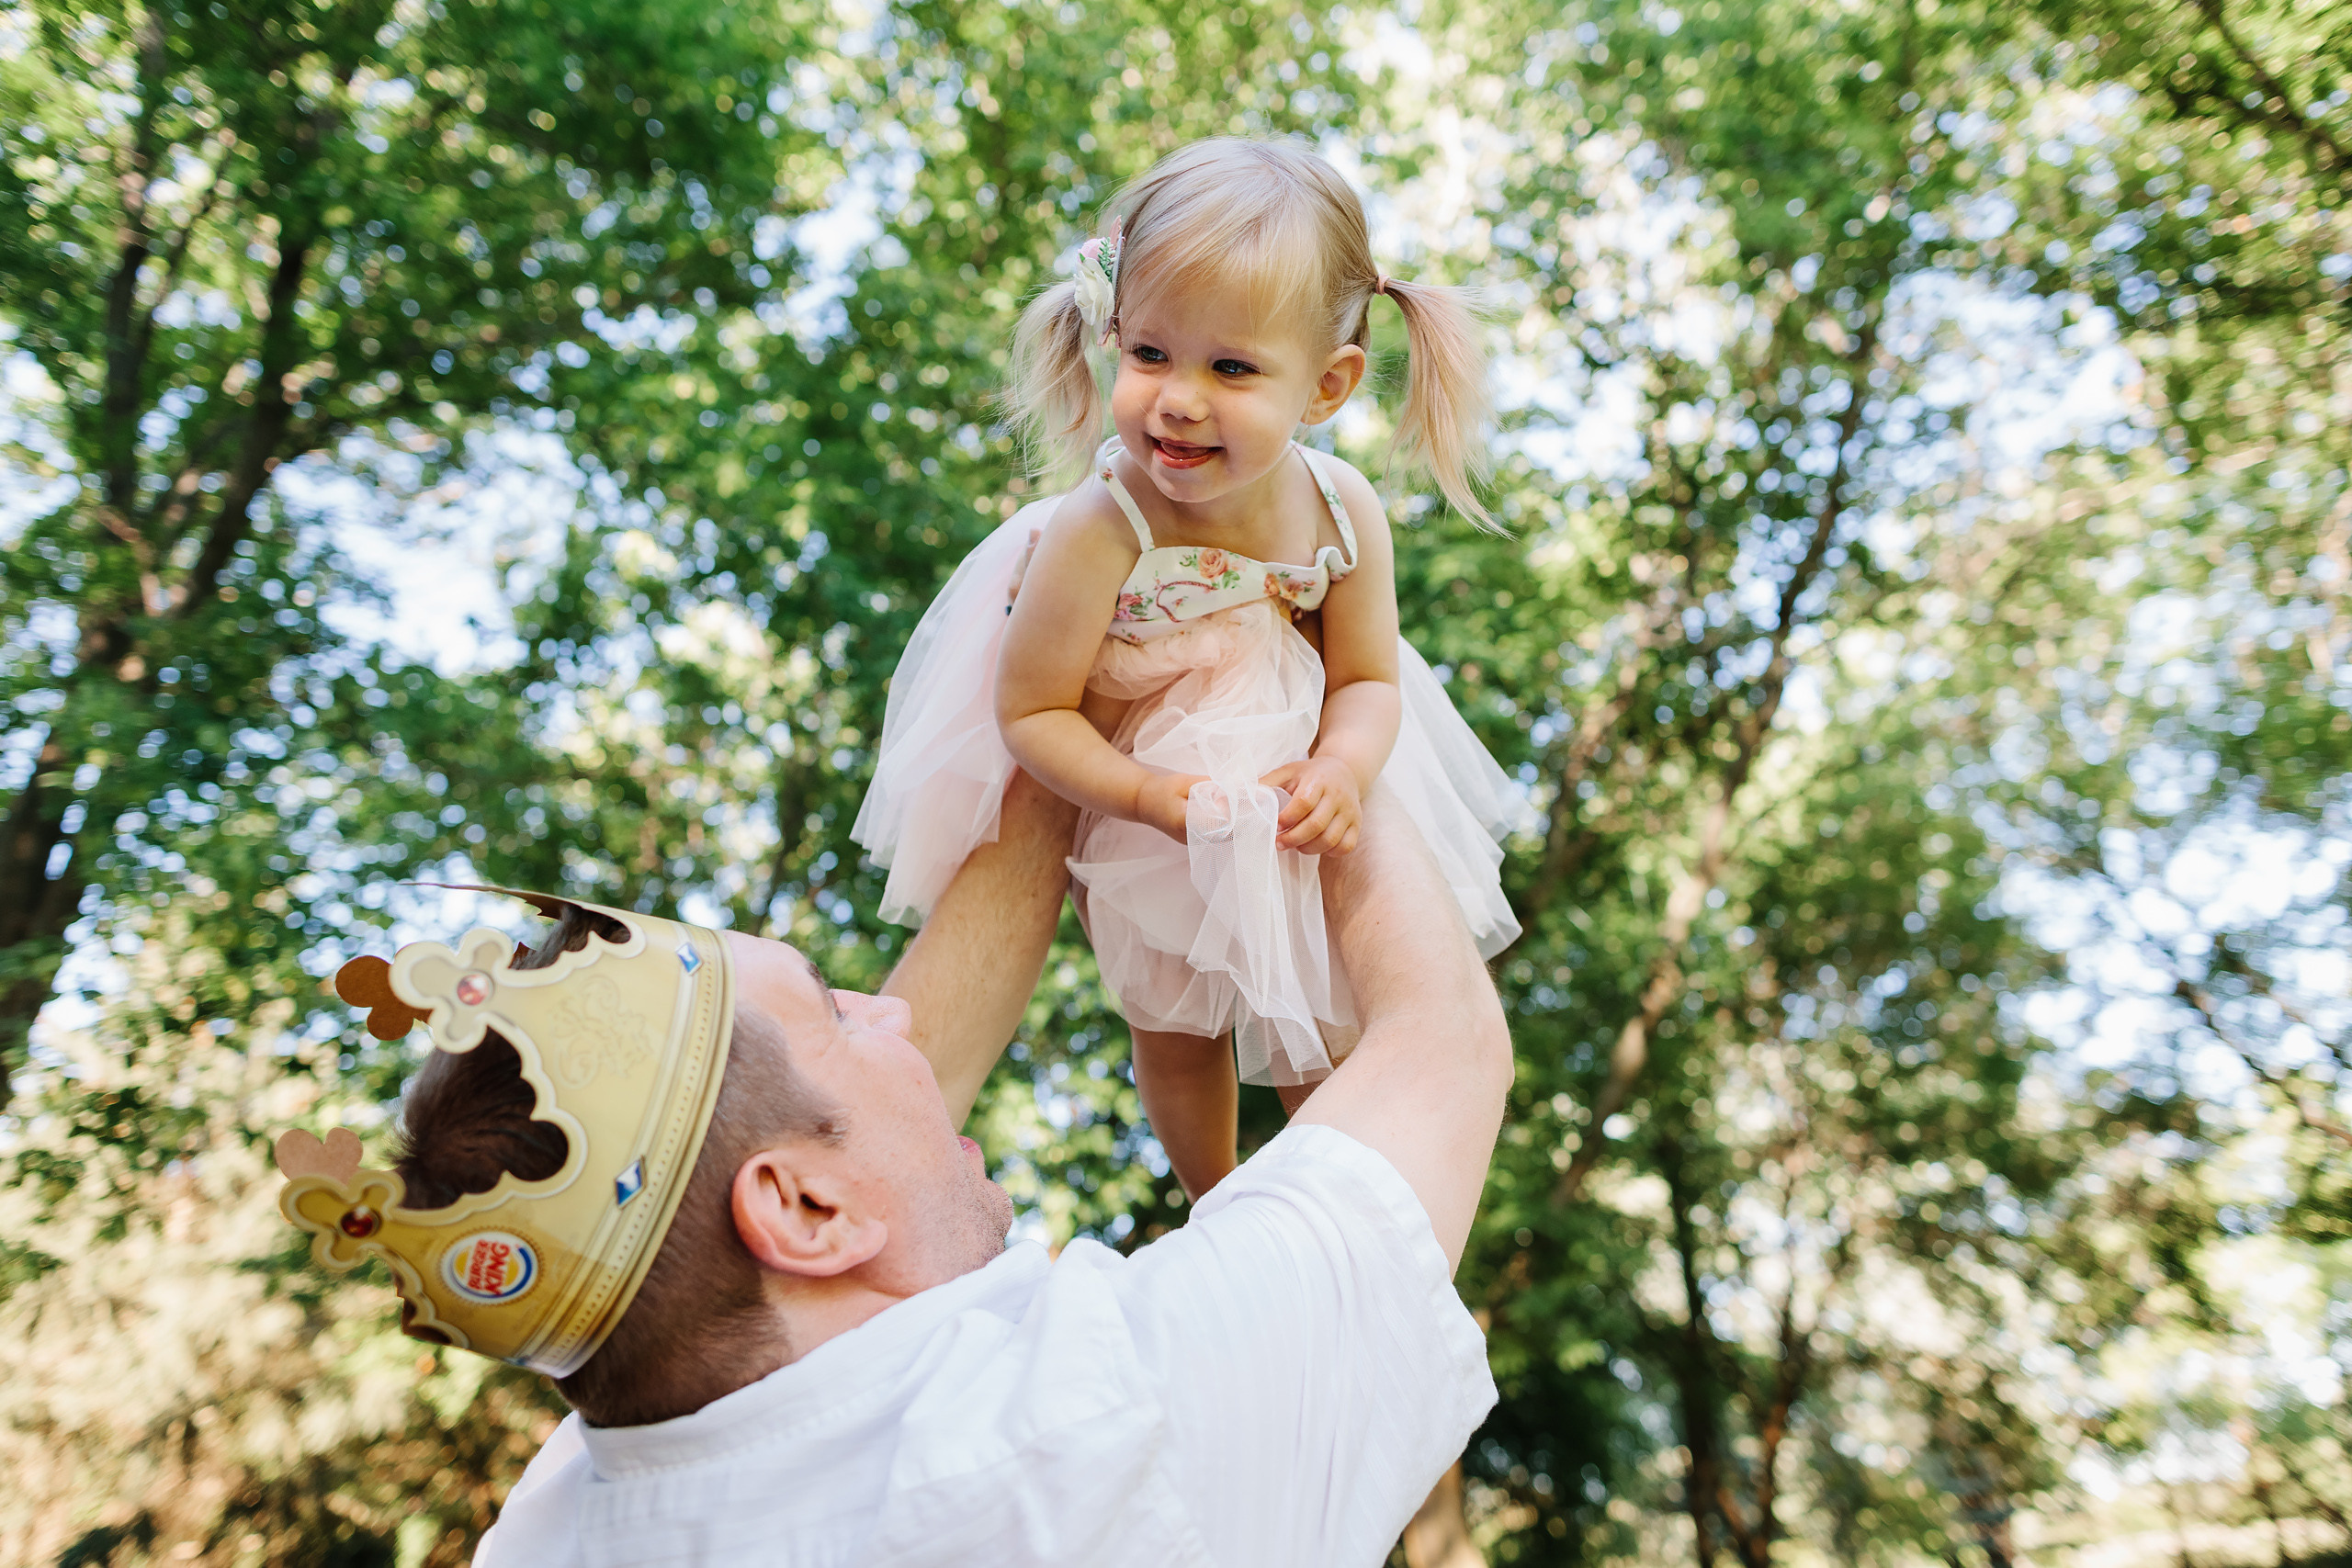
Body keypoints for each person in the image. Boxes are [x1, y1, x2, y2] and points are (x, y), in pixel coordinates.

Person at [345, 766, 1513, 1567]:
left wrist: (1069, 740)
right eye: (840, 1015)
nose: (895, 1021)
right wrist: (1283, 711)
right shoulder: (1085, 1429)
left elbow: (835, 1154)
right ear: (799, 1212)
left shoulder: (560, 1523)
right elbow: (1440, 1046)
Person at [851, 138, 1525, 1202]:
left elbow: (1367, 678)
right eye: (1150, 353)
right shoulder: (1103, 520)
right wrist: (1147, 797)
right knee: (1172, 1024)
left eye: (1232, 368)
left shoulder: (1346, 509)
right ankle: (1211, 1192)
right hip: (1138, 767)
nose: (1177, 399)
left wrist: (1344, 770)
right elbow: (1031, 710)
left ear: (1327, 386)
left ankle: (1335, 1199)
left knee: (1331, 1006)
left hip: (1282, 754)